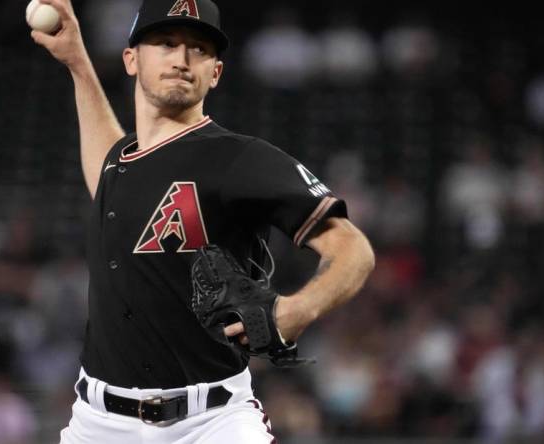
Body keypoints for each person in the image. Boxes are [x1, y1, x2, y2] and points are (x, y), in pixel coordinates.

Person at [30, 0, 375, 442]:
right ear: (131, 59)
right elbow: (108, 168)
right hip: (97, 422)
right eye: (166, 42)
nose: (181, 58)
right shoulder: (121, 163)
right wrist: (78, 63)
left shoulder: (239, 157)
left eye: (199, 48)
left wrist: (297, 309)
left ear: (215, 72)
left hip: (210, 422)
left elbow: (353, 249)